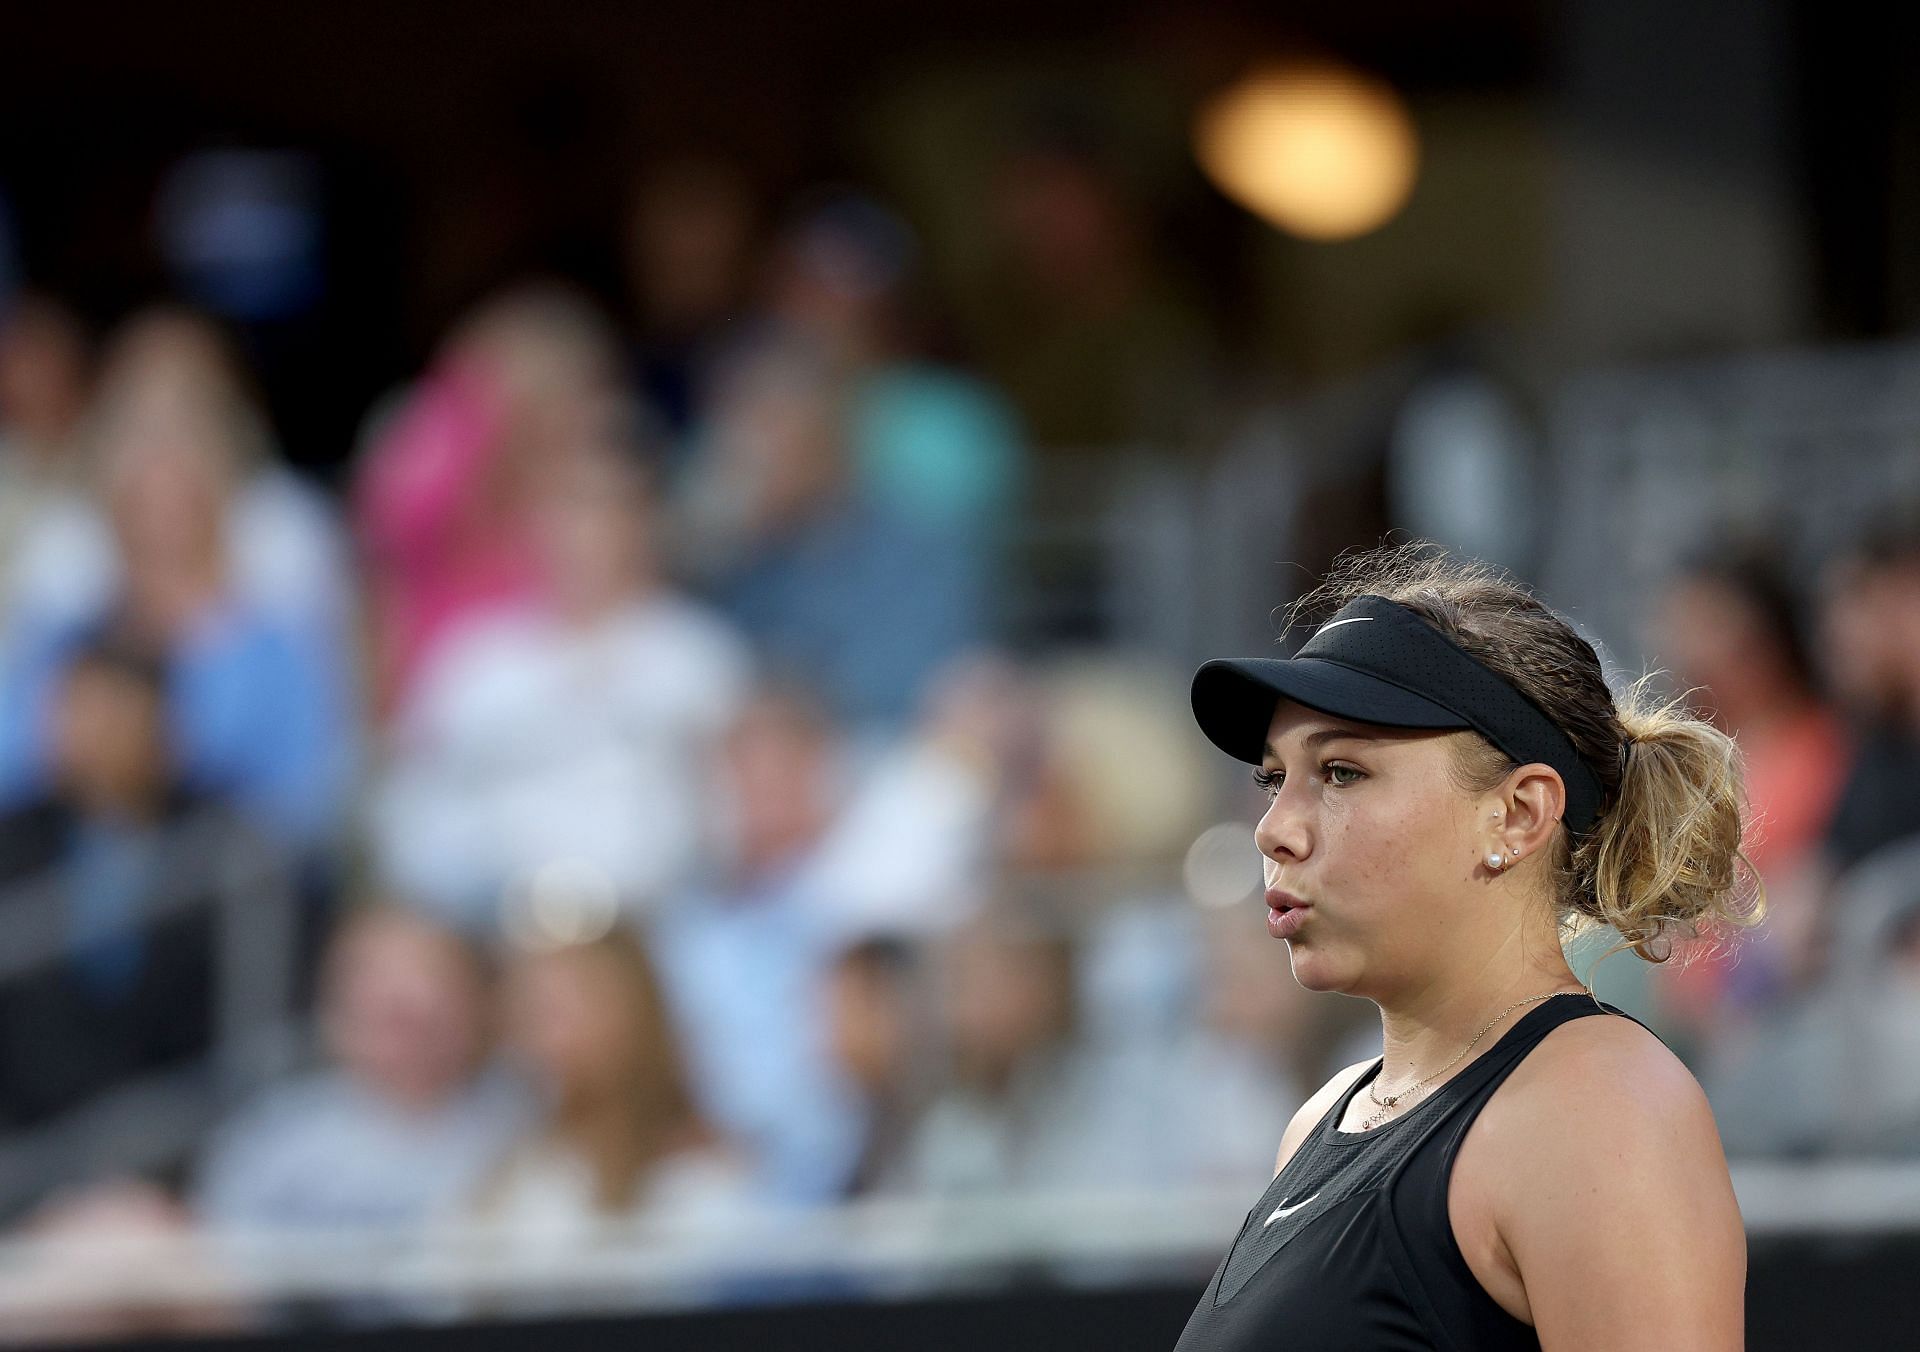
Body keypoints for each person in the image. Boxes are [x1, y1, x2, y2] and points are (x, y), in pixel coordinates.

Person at [1174, 543, 1754, 1350]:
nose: (1274, 829)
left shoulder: (1599, 1107)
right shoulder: (1319, 1122)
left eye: (1341, 772)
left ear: (1518, 815)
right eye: (1276, 779)